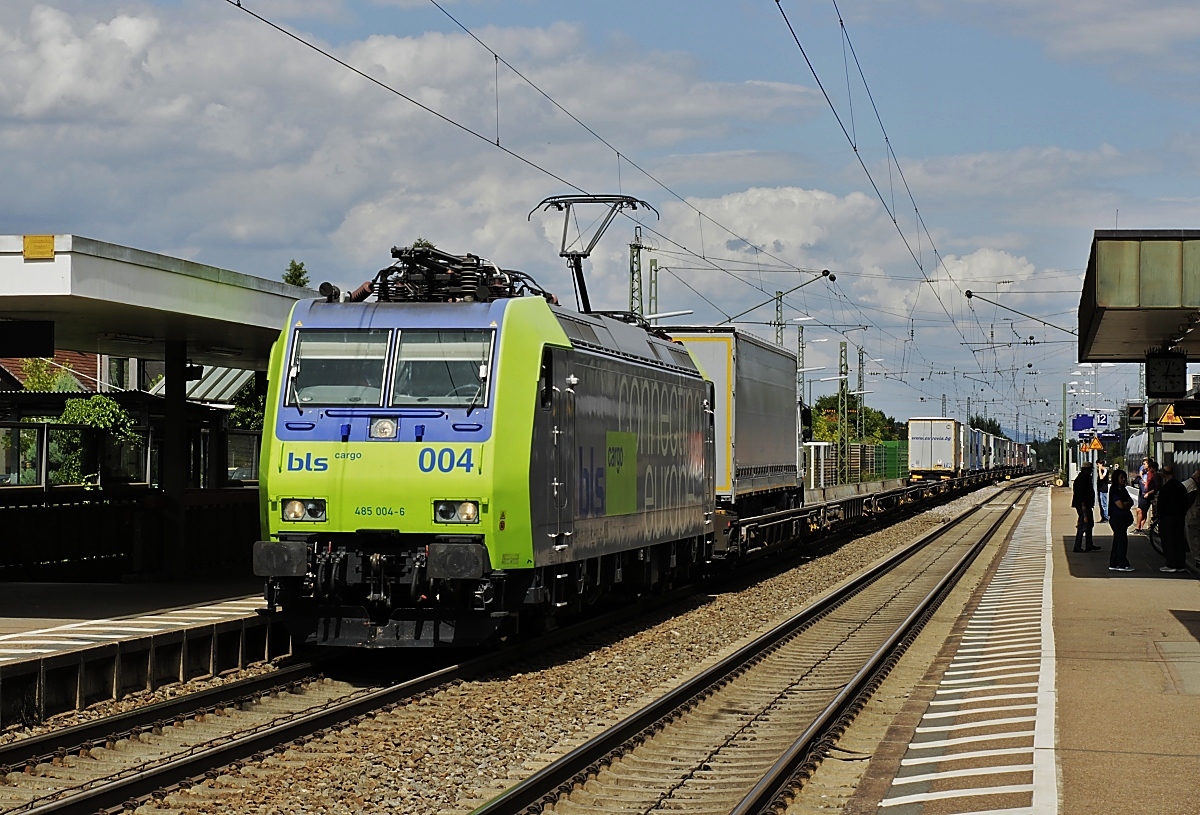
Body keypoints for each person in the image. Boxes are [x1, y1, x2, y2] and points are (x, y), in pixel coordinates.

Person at [1156, 464, 1189, 573]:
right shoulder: (1181, 487)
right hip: (1179, 517)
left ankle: (1171, 564)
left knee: (1168, 541)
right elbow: (1186, 502)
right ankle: (1181, 564)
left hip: (1167, 518)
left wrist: (1159, 517)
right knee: (1179, 540)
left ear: (1164, 475)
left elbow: (1160, 504)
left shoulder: (1165, 489)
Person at [1107, 469, 1135, 571]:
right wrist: (1126, 504)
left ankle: (1114, 562)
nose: (1123, 480)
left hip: (1122, 518)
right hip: (1117, 518)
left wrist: (1126, 504)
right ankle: (1123, 563)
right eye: (1121, 478)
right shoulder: (1115, 490)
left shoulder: (1123, 489)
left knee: (1117, 541)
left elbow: (1131, 501)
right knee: (1122, 541)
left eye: (1124, 477)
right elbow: (1121, 505)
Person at [1072, 463, 1099, 552]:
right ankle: (1077, 546)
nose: (1091, 471)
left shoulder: (1083, 478)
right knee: (1083, 525)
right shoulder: (1083, 479)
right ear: (1086, 470)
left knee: (1089, 524)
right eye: (1090, 469)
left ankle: (1089, 544)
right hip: (1083, 506)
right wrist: (1083, 505)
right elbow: (1081, 494)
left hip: (1086, 505)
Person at [1183, 469, 1200, 564]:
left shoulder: (1187, 483)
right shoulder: (1193, 487)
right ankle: (1197, 558)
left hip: (1191, 515)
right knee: (1194, 537)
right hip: (1193, 515)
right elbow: (1190, 502)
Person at [1134, 457, 1149, 531]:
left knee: (1140, 510)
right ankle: (1139, 527)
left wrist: (1146, 483)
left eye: (1144, 464)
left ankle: (1139, 527)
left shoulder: (1150, 474)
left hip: (1146, 494)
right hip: (1142, 493)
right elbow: (1140, 474)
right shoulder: (1143, 471)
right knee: (1141, 510)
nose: (1143, 466)